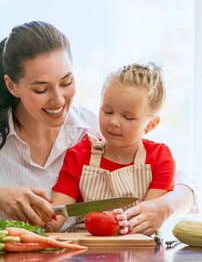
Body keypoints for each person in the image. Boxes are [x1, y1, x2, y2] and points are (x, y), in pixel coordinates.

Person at [0, 21, 197, 244]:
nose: (58, 100)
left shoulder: (96, 127)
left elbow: (184, 184)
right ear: (12, 86)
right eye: (41, 89)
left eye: (66, 82)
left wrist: (164, 206)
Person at [46, 62, 176, 232]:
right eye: (107, 111)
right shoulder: (79, 155)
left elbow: (144, 220)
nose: (114, 122)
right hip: (85, 250)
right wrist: (38, 214)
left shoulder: (160, 158)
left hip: (136, 250)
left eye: (128, 117)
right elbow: (54, 220)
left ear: (151, 124)